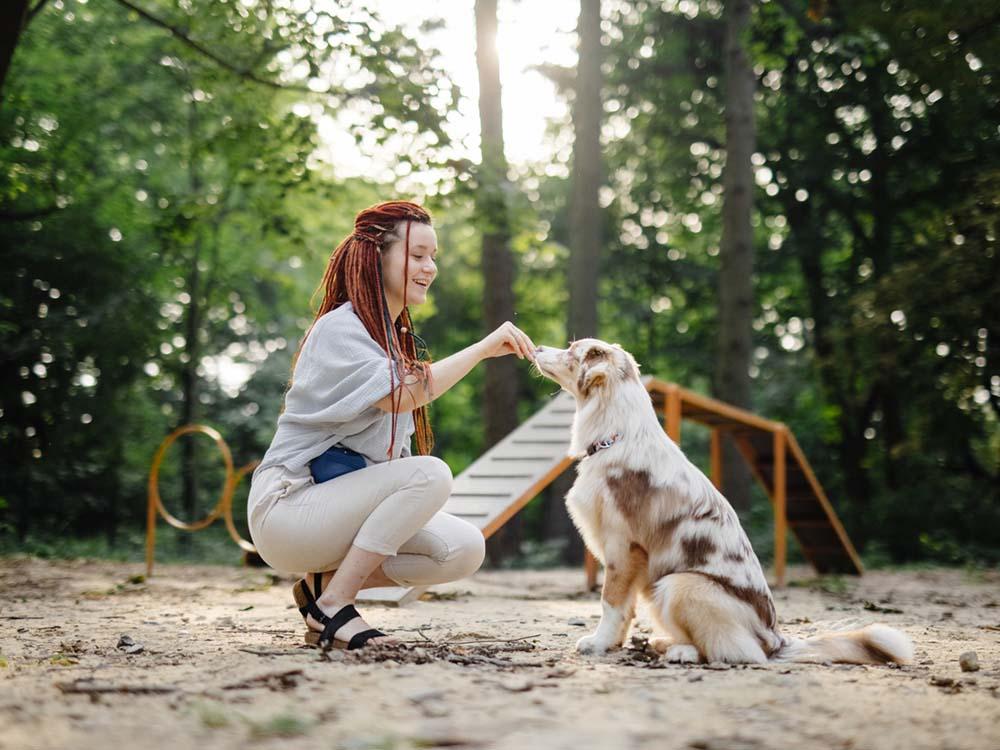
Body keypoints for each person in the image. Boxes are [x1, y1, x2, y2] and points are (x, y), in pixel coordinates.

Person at [247, 200, 536, 650]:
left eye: (433, 256)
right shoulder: (340, 330)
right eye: (418, 255)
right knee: (432, 471)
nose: (430, 267)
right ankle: (334, 606)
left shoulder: (389, 342)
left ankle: (319, 587)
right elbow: (409, 393)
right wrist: (481, 348)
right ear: (376, 255)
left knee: (462, 547)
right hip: (288, 510)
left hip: (332, 513)